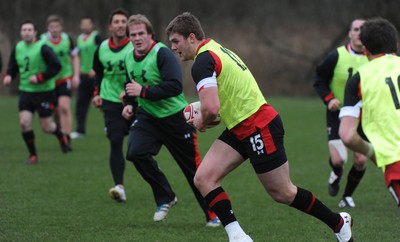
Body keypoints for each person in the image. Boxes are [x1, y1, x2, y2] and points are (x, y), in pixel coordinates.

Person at [166, 12, 353, 242]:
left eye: (176, 41)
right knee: (204, 178)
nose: (173, 47)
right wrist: (208, 113)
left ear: (191, 37)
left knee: (283, 192)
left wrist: (202, 120)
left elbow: (212, 109)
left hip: (259, 125)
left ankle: (339, 223)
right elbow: (218, 101)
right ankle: (238, 237)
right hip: (239, 127)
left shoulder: (202, 61)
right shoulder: (214, 48)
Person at [122, 14, 220, 227]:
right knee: (135, 153)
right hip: (147, 116)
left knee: (194, 171)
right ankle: (165, 196)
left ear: (150, 35)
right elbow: (131, 85)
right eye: (133, 35)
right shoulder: (128, 57)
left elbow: (175, 86)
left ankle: (213, 214)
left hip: (176, 118)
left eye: (141, 33)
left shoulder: (162, 54)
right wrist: (129, 103)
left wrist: (144, 92)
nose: (137, 38)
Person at [339, 17, 400, 208]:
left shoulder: (360, 79)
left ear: (365, 49)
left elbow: (347, 136)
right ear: (395, 45)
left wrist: (373, 153)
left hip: (395, 162)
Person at [314, 19, 369, 208]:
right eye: (356, 29)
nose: (360, 32)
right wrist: (329, 99)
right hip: (338, 114)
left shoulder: (374, 58)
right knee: (339, 159)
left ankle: (346, 196)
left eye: (364, 29)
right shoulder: (335, 56)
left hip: (363, 116)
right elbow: (319, 78)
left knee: (361, 160)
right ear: (350, 33)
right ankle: (336, 173)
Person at [2, 20, 71, 164]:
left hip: (44, 92)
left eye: (29, 30)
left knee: (47, 127)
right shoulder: (18, 47)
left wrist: (40, 77)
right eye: (24, 29)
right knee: (24, 123)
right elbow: (13, 66)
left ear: (35, 33)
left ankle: (60, 135)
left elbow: (56, 66)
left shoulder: (43, 47)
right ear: (21, 33)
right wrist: (9, 75)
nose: (26, 32)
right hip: (26, 92)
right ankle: (33, 156)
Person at [92, 8, 133, 202]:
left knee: (138, 148)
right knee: (115, 141)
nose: (120, 25)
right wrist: (97, 93)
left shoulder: (134, 46)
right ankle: (119, 186)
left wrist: (130, 90)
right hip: (110, 101)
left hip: (134, 101)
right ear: (110, 26)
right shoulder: (101, 48)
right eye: (116, 21)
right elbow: (98, 74)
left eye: (123, 21)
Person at [41, 14, 80, 145]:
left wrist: (76, 75)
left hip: (64, 77)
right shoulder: (41, 41)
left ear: (61, 27)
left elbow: (75, 56)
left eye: (57, 26)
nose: (54, 29)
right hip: (49, 80)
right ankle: (60, 130)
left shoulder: (67, 39)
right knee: (56, 111)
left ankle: (67, 138)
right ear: (48, 28)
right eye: (52, 27)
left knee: (64, 107)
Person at [70, 16, 103, 139]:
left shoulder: (96, 37)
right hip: (84, 76)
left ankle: (111, 126)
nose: (85, 26)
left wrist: (96, 69)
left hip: (95, 76)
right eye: (82, 24)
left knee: (102, 102)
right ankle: (80, 130)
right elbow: (76, 56)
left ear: (92, 25)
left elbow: (103, 52)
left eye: (87, 24)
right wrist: (76, 74)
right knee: (80, 104)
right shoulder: (79, 39)